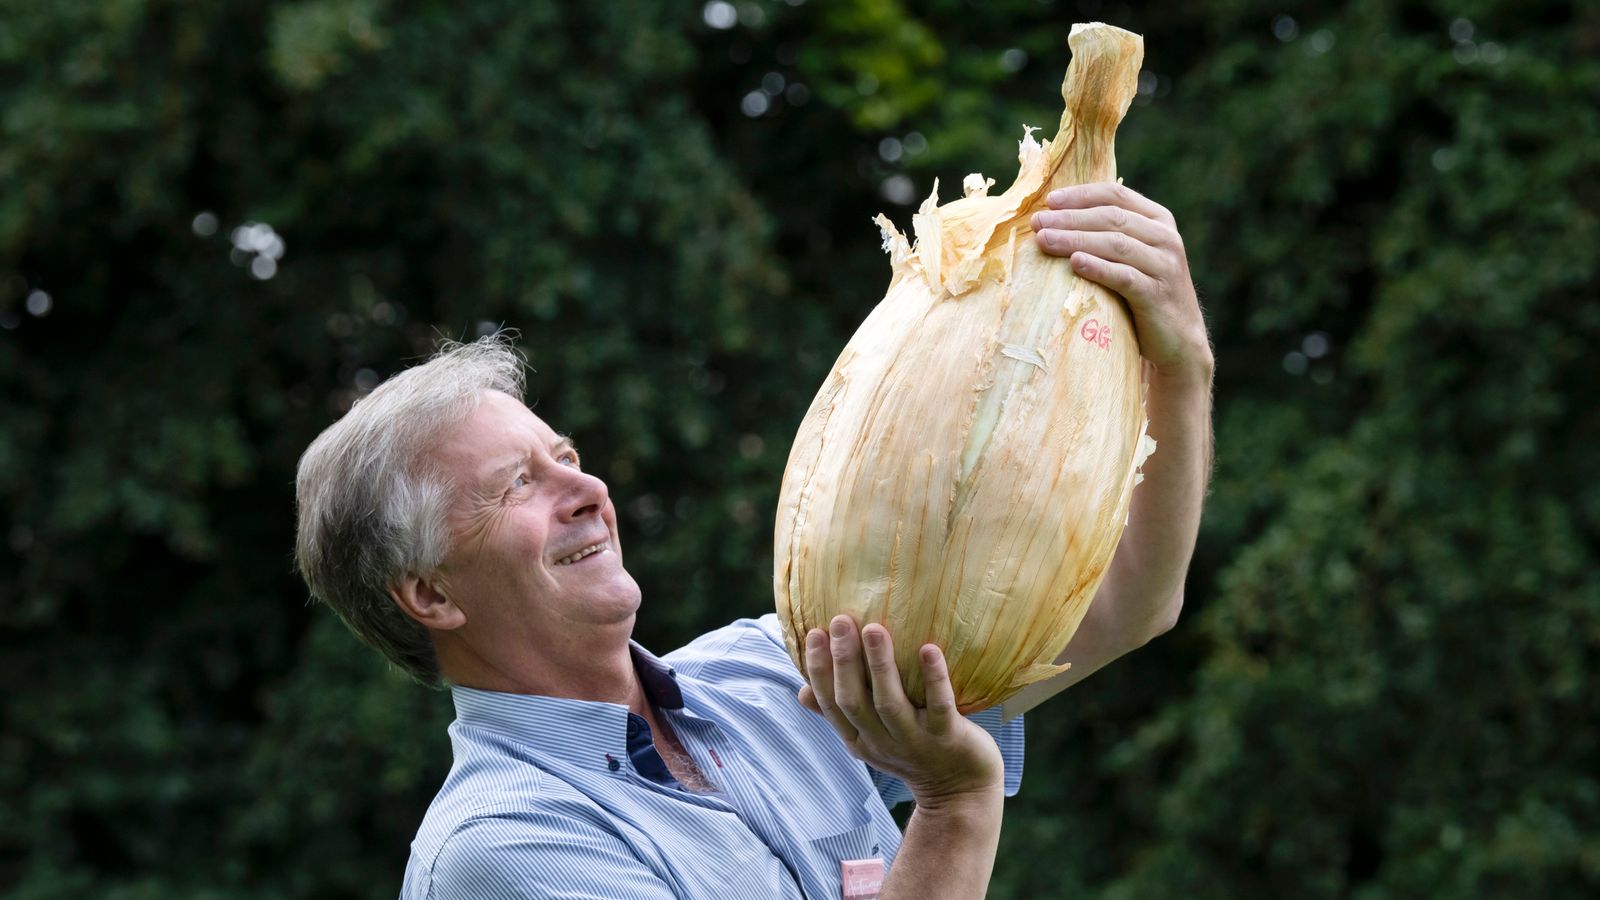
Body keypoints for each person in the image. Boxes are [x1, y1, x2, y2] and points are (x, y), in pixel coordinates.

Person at [293, 183, 1213, 899]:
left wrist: (1179, 365)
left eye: (565, 455)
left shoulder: (785, 676)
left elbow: (1129, 600)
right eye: (516, 486)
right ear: (432, 596)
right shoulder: (504, 854)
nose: (587, 491)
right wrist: (955, 807)